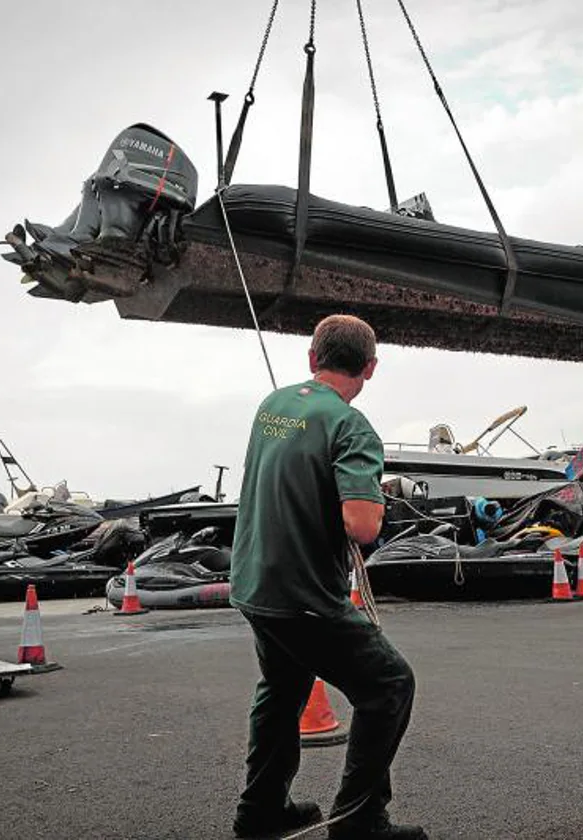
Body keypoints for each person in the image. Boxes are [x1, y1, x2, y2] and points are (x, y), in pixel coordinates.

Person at [231, 314, 425, 840]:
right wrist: (378, 503)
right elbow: (361, 526)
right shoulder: (351, 425)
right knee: (389, 684)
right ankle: (358, 821)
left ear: (312, 359)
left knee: (282, 687)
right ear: (370, 367)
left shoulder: (271, 406)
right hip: (305, 596)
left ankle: (261, 813)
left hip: (253, 584)